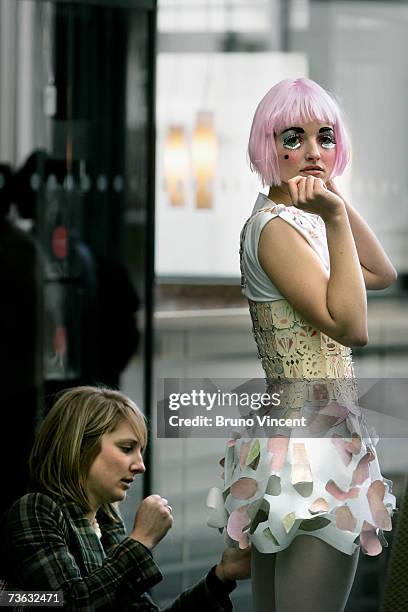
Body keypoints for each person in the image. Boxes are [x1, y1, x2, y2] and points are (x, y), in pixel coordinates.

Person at [206, 78, 397, 612]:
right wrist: (333, 218)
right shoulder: (275, 229)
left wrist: (334, 202)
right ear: (268, 146)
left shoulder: (296, 219)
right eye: (294, 137)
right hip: (312, 446)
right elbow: (352, 326)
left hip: (304, 437)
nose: (313, 152)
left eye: (326, 137)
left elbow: (381, 273)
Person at [0, 386, 250, 610]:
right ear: (80, 446)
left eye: (141, 451)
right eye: (127, 448)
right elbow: (68, 604)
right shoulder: (35, 510)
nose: (140, 466)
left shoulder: (108, 525)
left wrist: (220, 577)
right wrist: (140, 541)